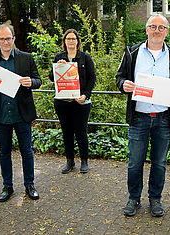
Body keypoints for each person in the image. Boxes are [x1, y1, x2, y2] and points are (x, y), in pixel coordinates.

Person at [116, 15, 170, 217]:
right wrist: (124, 85)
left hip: (164, 117)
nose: (157, 30)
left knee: (159, 163)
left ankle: (155, 200)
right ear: (146, 29)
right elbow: (119, 77)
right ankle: (134, 198)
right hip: (139, 117)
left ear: (166, 31)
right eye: (153, 26)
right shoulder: (132, 52)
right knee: (135, 162)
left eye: (161, 27)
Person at [0, 23, 42, 202]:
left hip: (22, 114)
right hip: (2, 114)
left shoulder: (26, 58)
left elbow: (38, 80)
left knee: (26, 151)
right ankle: (7, 186)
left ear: (14, 39)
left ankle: (30, 185)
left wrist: (31, 82)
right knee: (4, 152)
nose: (6, 42)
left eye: (9, 38)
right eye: (2, 39)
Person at [49, 29, 96, 174]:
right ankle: (70, 161)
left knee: (81, 132)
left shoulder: (85, 57)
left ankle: (84, 161)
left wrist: (86, 95)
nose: (70, 41)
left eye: (73, 39)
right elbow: (52, 77)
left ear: (77, 41)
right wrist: (59, 67)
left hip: (81, 102)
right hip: (63, 102)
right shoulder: (59, 57)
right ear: (64, 41)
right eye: (68, 39)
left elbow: (92, 78)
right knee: (66, 132)